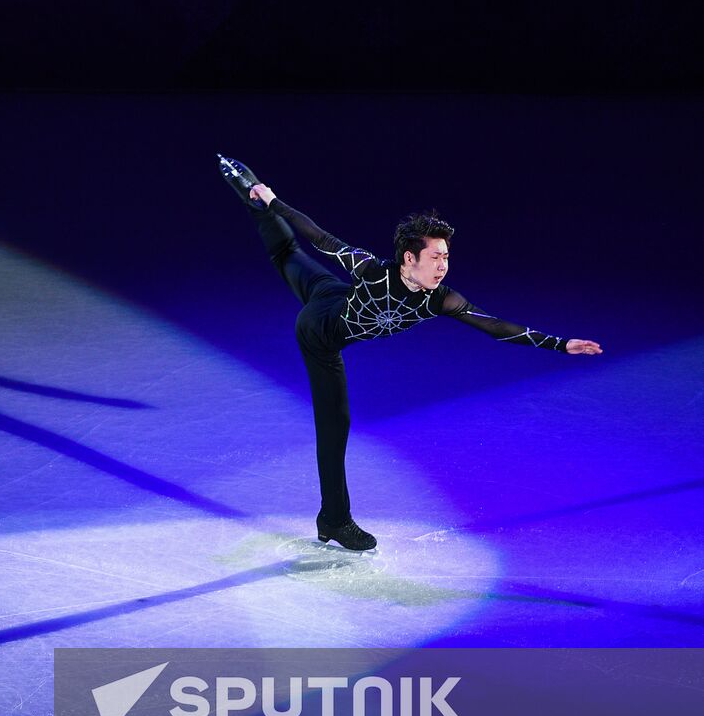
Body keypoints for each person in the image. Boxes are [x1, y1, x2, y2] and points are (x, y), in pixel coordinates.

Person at [218, 154, 602, 551]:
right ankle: (334, 518)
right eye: (435, 257)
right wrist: (275, 201)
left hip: (329, 295)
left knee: (285, 256)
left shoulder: (441, 299)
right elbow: (319, 237)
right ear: (409, 258)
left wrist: (561, 343)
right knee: (336, 426)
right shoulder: (371, 270)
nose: (443, 266)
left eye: (446, 257)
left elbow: (494, 327)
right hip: (319, 334)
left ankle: (248, 189)